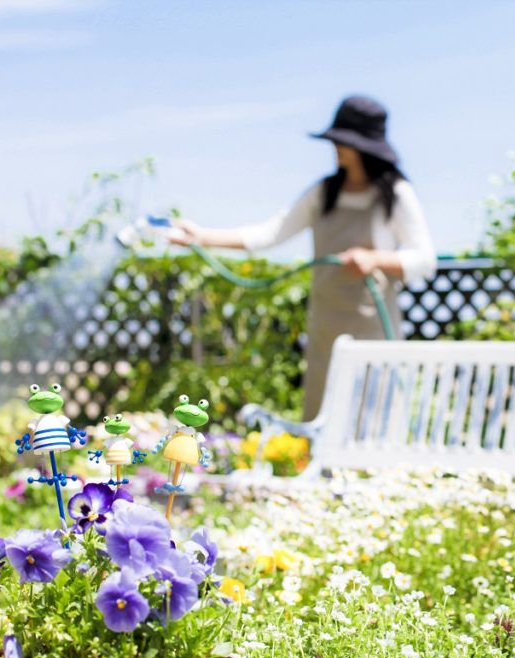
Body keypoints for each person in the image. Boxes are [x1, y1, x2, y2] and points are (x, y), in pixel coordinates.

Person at [168, 95, 436, 420]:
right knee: (324, 414)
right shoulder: (324, 192)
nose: (336, 147)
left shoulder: (394, 194)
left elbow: (424, 259)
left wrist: (375, 258)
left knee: (374, 415)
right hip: (326, 325)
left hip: (373, 328)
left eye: (342, 141)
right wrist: (201, 237)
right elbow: (270, 234)